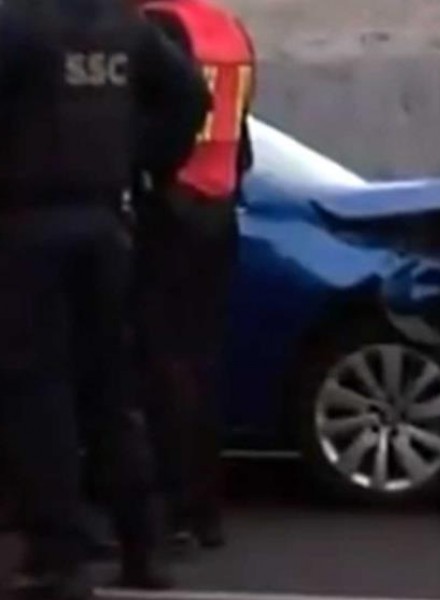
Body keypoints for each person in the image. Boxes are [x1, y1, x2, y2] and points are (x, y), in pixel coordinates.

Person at [0, 0, 210, 597]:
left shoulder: (17, 24)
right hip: (105, 221)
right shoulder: (126, 27)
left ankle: (57, 556)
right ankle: (142, 547)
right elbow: (190, 98)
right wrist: (144, 162)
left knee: (38, 393)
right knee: (112, 391)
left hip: (27, 224)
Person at [132, 0, 256, 551]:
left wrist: (149, 175)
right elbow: (243, 135)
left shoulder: (157, 25)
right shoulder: (230, 28)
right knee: (202, 365)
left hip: (170, 205)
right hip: (219, 207)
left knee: (161, 365)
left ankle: (173, 511)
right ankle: (204, 512)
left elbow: (156, 114)